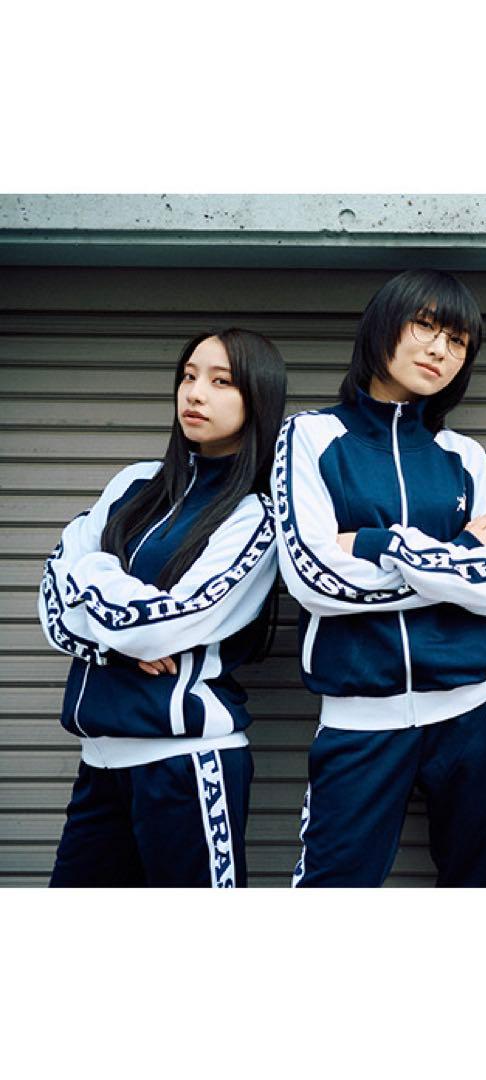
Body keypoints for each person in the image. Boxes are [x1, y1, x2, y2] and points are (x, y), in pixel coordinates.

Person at [273, 269, 486, 887]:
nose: (441, 350)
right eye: (426, 326)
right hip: (361, 716)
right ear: (383, 325)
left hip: (479, 708)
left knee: (480, 888)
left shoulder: (464, 455)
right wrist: (460, 558)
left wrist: (374, 543)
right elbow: (313, 575)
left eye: (458, 341)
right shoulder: (311, 436)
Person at [40, 328, 287, 887]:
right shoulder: (132, 484)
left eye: (221, 382)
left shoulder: (253, 516)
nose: (195, 393)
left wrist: (92, 569)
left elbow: (167, 627)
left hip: (187, 764)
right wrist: (116, 644)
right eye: (189, 376)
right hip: (100, 761)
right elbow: (52, 605)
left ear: (257, 398)